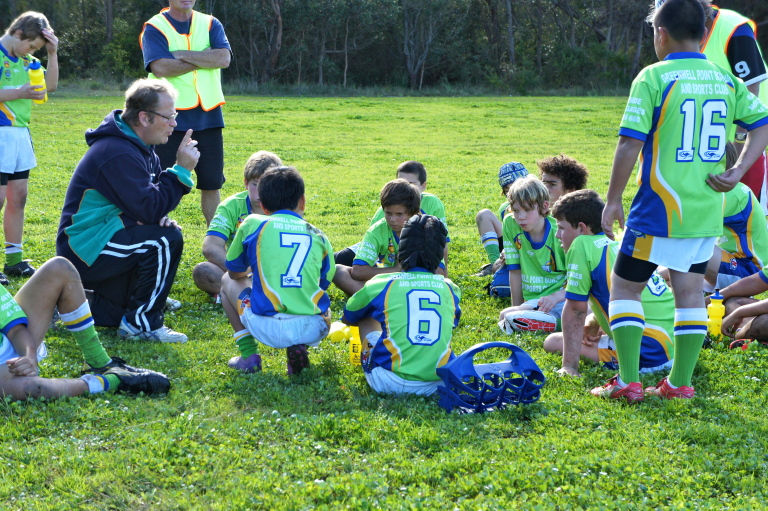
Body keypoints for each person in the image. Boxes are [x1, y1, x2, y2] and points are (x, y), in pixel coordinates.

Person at [596, 0, 768, 402]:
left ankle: (627, 382)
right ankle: (679, 384)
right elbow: (761, 124)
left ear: (660, 32)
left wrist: (613, 199)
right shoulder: (726, 81)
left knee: (624, 288)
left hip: (658, 209)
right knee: (689, 292)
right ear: (706, 32)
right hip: (704, 209)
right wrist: (739, 170)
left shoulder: (654, 77)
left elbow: (628, 143)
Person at [57, 79, 199, 343]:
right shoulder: (116, 151)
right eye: (169, 116)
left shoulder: (140, 147)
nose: (174, 123)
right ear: (144, 118)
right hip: (84, 248)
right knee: (164, 241)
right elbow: (148, 207)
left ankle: (67, 304)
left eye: (175, 116)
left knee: (112, 314)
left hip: (107, 235)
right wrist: (181, 170)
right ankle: (142, 325)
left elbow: (148, 204)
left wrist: (159, 217)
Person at [543, 190, 674, 377]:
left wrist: (569, 366)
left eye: (562, 228)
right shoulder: (616, 241)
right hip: (672, 345)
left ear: (581, 228)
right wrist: (594, 322)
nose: (557, 235)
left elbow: (575, 309)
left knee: (553, 342)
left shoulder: (581, 245)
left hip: (649, 354)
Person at [0, 256, 170, 400]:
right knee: (30, 389)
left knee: (59, 267)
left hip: (16, 346)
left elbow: (15, 329)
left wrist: (29, 356)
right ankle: (109, 382)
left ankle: (100, 363)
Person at [222, 166, 335, 375]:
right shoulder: (319, 235)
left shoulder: (253, 223)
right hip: (314, 327)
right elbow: (324, 282)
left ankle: (249, 356)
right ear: (302, 201)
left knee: (225, 282)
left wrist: (253, 276)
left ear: (263, 205)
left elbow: (234, 271)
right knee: (317, 298)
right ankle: (299, 348)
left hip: (267, 327)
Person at [342, 214, 461, 395]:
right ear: (439, 256)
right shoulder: (450, 288)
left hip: (389, 381)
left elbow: (350, 315)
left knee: (365, 316)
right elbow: (454, 322)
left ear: (401, 250)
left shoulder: (382, 282)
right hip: (438, 383)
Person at [140, 0, 231, 225]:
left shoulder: (210, 23)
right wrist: (203, 58)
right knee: (158, 180)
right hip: (166, 117)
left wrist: (180, 54)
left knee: (212, 183)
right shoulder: (155, 26)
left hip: (209, 117)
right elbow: (160, 67)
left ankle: (215, 239)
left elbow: (223, 58)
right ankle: (154, 233)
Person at [0, 12, 58, 283]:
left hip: (20, 135)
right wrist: (18, 93)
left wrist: (52, 54)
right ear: (19, 34)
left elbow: (51, 86)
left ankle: (14, 260)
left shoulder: (29, 62)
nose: (32, 52)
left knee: (18, 197)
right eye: (32, 46)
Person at [696, 0, 768, 212]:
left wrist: (737, 147)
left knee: (749, 217)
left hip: (753, 140)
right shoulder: (680, 34)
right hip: (714, 145)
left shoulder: (733, 29)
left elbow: (751, 90)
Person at [192, 150, 282, 297]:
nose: (261, 192)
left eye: (267, 185)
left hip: (274, 271)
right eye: (255, 184)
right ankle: (254, 292)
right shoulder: (231, 206)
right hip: (237, 271)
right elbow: (210, 247)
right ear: (246, 183)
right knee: (203, 271)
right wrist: (242, 269)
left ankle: (236, 294)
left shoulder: (285, 205)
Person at [335, 161, 449, 270]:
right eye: (400, 181)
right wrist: (391, 271)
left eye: (410, 183)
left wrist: (445, 277)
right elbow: (375, 244)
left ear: (423, 186)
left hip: (406, 260)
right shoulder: (384, 212)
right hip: (379, 252)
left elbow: (442, 242)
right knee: (335, 263)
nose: (392, 219)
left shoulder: (432, 205)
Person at [497, 175, 567, 333]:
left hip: (562, 297)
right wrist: (516, 308)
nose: (520, 217)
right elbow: (514, 270)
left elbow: (579, 277)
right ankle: (550, 323)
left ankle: (560, 323)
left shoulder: (560, 231)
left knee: (583, 311)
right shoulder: (510, 224)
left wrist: (556, 296)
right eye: (516, 210)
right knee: (505, 315)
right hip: (534, 301)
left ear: (544, 207)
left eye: (528, 210)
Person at [333, 179, 424, 296]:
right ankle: (382, 303)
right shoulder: (377, 231)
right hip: (383, 288)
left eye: (399, 214)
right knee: (338, 271)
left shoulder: (426, 231)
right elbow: (358, 271)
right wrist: (397, 270)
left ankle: (379, 305)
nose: (392, 219)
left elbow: (439, 273)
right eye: (388, 213)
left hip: (414, 290)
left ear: (414, 213)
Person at [474, 162, 529, 274]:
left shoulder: (539, 202)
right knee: (483, 215)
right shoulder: (506, 208)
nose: (513, 193)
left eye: (516, 187)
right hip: (512, 246)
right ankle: (495, 265)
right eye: (508, 190)